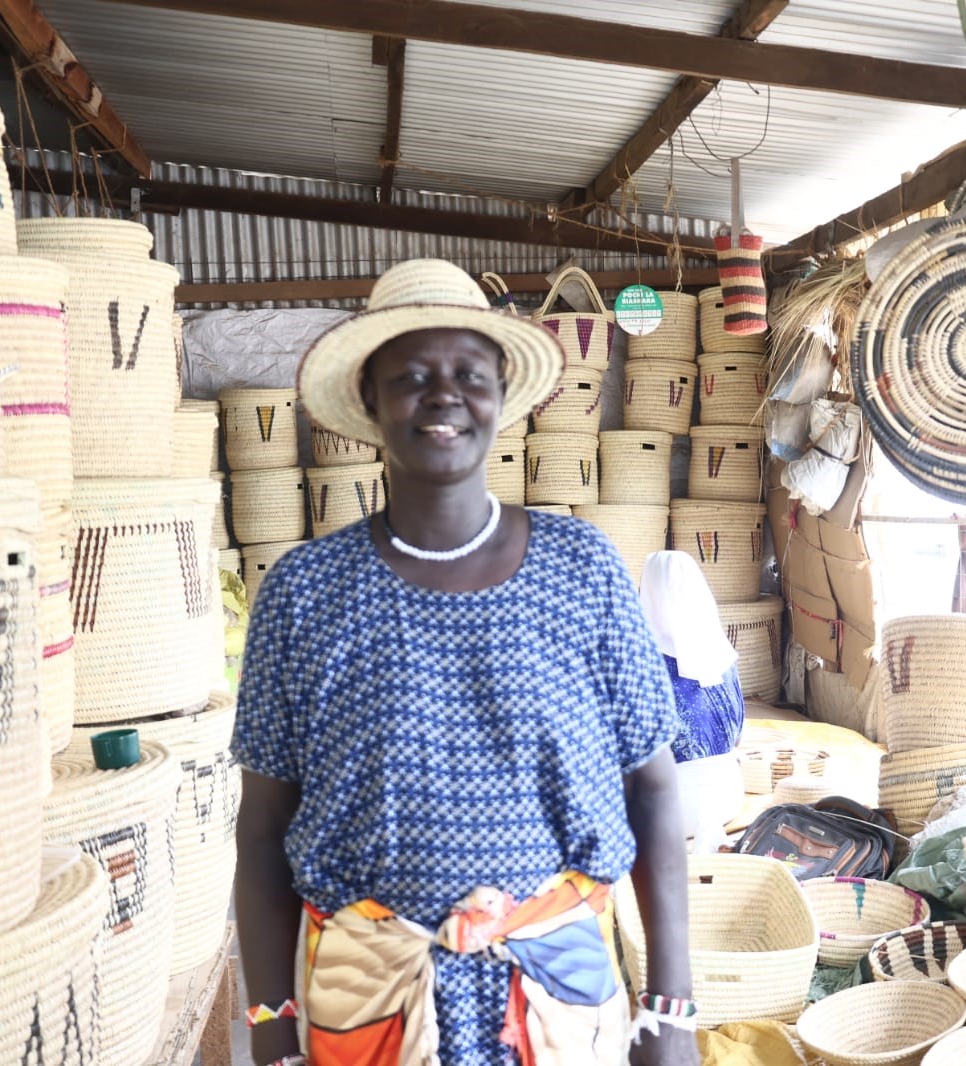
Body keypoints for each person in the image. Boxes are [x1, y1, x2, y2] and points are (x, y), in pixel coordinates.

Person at [231, 259, 697, 1066]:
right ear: (370, 400)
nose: (443, 394)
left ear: (500, 395)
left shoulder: (581, 568)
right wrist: (271, 1030)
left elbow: (653, 789)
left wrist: (670, 1010)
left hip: (557, 1002)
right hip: (370, 1002)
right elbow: (264, 827)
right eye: (411, 375)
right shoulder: (303, 594)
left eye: (468, 375)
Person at [637, 551, 745, 851]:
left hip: (666, 808)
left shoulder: (640, 663)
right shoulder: (723, 655)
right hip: (727, 796)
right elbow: (737, 736)